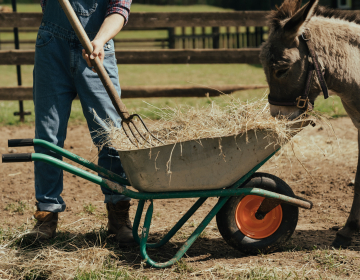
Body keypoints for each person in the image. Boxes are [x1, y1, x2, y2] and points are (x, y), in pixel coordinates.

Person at [29, 0, 135, 247]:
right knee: (48, 137)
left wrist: (99, 40)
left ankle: (118, 214)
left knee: (110, 135)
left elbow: (119, 11)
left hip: (97, 47)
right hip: (51, 48)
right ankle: (46, 214)